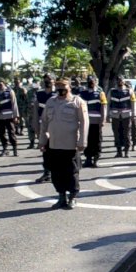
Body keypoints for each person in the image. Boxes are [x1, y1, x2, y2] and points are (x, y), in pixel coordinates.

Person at [39, 77, 88, 209]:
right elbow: (44, 122)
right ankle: (61, 196)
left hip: (70, 144)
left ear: (69, 87)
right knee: (56, 172)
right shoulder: (50, 102)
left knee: (71, 172)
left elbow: (84, 123)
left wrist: (82, 141)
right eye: (58, 87)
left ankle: (72, 196)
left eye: (64, 88)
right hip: (54, 143)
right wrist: (42, 141)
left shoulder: (77, 102)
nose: (61, 90)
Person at [33, 74, 57, 183]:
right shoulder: (39, 94)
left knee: (56, 150)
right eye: (45, 80)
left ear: (54, 81)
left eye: (50, 80)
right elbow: (35, 111)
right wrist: (36, 126)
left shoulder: (58, 94)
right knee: (45, 150)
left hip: (56, 126)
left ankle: (56, 173)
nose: (47, 82)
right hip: (43, 125)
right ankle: (47, 173)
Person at [79, 75, 107, 167]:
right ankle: (88, 159)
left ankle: (96, 158)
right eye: (89, 81)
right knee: (86, 140)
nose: (91, 83)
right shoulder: (82, 93)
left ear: (96, 81)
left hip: (96, 121)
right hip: (85, 122)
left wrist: (103, 120)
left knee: (97, 141)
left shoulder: (100, 93)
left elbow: (104, 107)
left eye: (92, 81)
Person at [108, 76, 136, 158]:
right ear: (116, 81)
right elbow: (108, 103)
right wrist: (107, 115)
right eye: (119, 80)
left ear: (124, 81)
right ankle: (118, 151)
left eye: (122, 80)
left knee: (126, 134)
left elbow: (133, 103)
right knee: (116, 134)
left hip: (126, 115)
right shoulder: (112, 91)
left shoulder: (129, 91)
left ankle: (126, 152)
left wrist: (133, 114)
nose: (120, 82)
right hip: (115, 116)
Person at [0, 80, 19, 157]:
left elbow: (14, 104)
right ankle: (5, 149)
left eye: (1, 84)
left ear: (4, 84)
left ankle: (15, 149)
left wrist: (15, 116)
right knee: (1, 134)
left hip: (9, 116)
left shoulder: (10, 91)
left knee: (11, 133)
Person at [25, 80, 39, 149]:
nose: (35, 84)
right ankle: (32, 142)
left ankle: (40, 142)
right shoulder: (29, 92)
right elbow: (26, 101)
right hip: (30, 113)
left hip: (39, 113)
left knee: (40, 128)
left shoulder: (41, 92)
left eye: (36, 82)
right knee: (30, 128)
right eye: (34, 82)